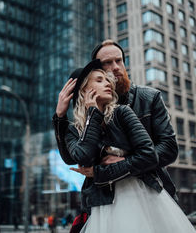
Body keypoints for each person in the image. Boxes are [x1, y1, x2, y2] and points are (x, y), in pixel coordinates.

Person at [60, 59, 195, 233]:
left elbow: (149, 155)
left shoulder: (122, 112)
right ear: (84, 90)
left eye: (107, 80)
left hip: (139, 195)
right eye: (99, 80)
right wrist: (89, 113)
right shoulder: (75, 129)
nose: (108, 83)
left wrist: (100, 172)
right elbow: (83, 156)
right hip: (103, 205)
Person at [53, 39, 178, 200]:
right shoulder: (90, 113)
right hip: (105, 198)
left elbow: (169, 149)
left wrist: (121, 164)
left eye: (119, 60)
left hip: (152, 191)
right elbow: (72, 158)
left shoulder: (149, 97)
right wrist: (60, 118)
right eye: (107, 63)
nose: (116, 67)